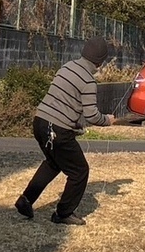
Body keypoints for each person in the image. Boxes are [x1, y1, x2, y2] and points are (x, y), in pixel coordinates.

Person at [14, 36, 115, 226]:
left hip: (40, 122)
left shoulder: (67, 67)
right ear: (100, 61)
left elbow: (64, 102)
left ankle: (25, 200)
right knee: (79, 171)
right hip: (57, 130)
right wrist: (107, 120)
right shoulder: (88, 80)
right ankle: (63, 213)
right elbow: (92, 115)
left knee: (53, 162)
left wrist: (74, 124)